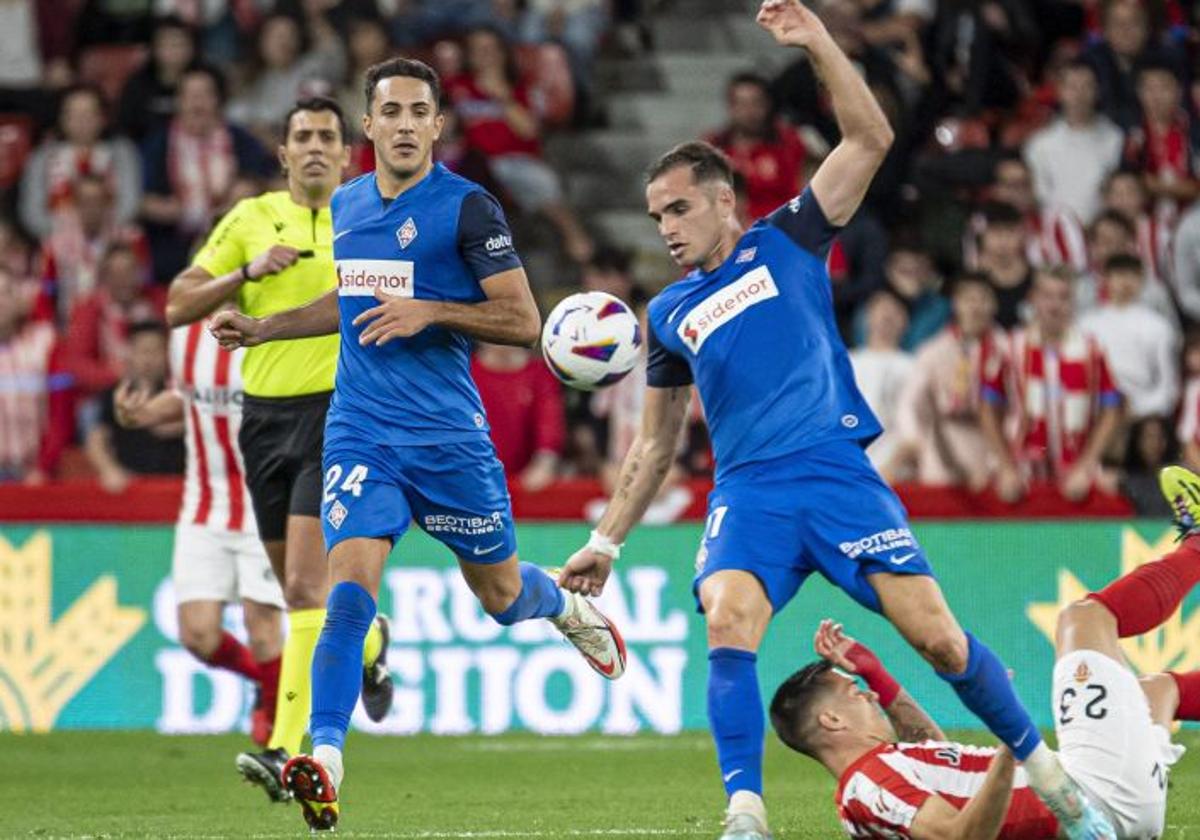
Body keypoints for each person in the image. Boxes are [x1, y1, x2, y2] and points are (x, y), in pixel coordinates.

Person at [556, 3, 1114, 839]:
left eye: (676, 210)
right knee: (728, 620)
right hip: (749, 492)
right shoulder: (668, 314)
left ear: (720, 200)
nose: (665, 229)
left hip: (834, 472)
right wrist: (605, 541)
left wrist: (818, 42)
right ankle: (745, 810)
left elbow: (870, 139)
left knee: (940, 642)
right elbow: (655, 441)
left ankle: (1050, 777)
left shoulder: (788, 237)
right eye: (655, 218)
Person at [208, 58, 626, 832]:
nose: (403, 124)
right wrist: (264, 326)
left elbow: (522, 321)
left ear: (438, 125)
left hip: (448, 440)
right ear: (367, 127)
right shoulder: (350, 203)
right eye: (389, 111)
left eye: (417, 112)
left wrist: (429, 311)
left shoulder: (469, 209)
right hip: (362, 432)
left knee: (499, 596)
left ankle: (561, 604)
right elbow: (349, 297)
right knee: (346, 595)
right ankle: (323, 757)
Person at [770, 463, 1200, 837]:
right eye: (853, 692)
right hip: (1089, 795)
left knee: (1155, 693)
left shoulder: (876, 781)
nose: (864, 694)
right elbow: (961, 837)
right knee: (1084, 619)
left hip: (1108, 806)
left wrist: (876, 674)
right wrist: (1010, 734)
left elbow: (934, 751)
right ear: (830, 720)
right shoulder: (870, 783)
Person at [164, 96, 391, 803]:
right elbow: (178, 304)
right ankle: (372, 644)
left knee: (298, 589)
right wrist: (247, 273)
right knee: (306, 595)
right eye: (303, 137)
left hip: (340, 414)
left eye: (329, 135)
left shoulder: (366, 214)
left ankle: (286, 749)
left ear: (348, 153)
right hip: (261, 421)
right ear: (285, 154)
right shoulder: (250, 219)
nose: (317, 146)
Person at [113, 317, 285, 747]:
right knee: (198, 635)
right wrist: (146, 412)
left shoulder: (275, 321)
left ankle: (279, 745)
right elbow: (191, 398)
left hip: (264, 500)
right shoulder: (186, 331)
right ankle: (269, 685)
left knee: (265, 629)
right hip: (204, 504)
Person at [980, 267, 1123, 504]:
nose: (1055, 305)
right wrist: (1005, 467)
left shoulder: (1092, 350)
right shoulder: (1010, 348)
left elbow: (1112, 408)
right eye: (1047, 296)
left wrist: (1087, 465)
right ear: (1033, 298)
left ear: (1073, 302)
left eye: (1063, 297)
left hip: (1077, 474)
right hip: (1021, 474)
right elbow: (987, 407)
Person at [84, 320, 185, 493]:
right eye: (143, 351)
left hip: (177, 487)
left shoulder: (181, 393)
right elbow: (96, 441)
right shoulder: (114, 395)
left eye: (156, 351)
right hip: (131, 486)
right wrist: (109, 470)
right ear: (130, 353)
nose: (149, 359)